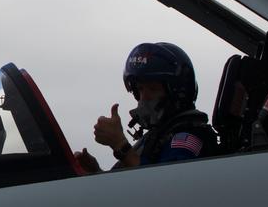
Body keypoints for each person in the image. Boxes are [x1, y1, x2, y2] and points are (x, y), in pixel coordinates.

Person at [75, 42, 218, 173]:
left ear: (177, 93)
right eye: (140, 89)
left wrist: (120, 144)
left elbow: (167, 185)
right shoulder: (155, 137)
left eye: (153, 89)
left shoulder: (189, 137)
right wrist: (95, 172)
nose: (144, 97)